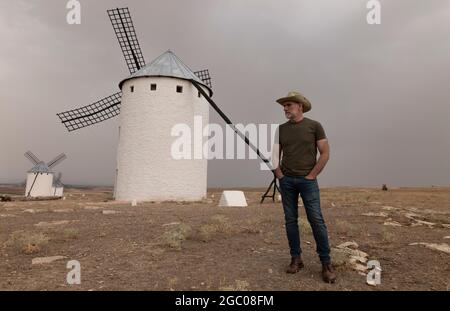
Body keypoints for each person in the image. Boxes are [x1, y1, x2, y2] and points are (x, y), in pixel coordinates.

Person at [273, 91, 336, 284]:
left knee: (316, 219)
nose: (285, 108)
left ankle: (326, 263)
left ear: (300, 106)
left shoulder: (314, 126)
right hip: (287, 181)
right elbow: (275, 154)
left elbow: (325, 152)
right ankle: (296, 259)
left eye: (289, 105)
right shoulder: (281, 129)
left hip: (308, 182)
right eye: (284, 105)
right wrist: (280, 175)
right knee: (290, 221)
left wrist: (312, 175)